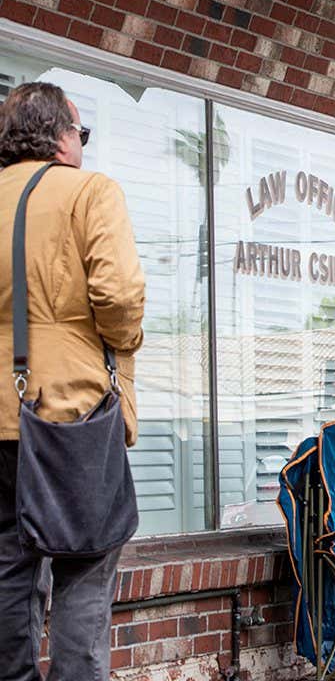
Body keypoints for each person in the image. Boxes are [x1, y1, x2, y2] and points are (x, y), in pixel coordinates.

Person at [0, 82, 146, 681]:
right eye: (81, 134)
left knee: (9, 565)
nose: (82, 146)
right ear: (60, 137)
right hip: (72, 412)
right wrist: (125, 338)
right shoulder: (90, 191)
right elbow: (118, 296)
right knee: (85, 564)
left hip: (3, 421)